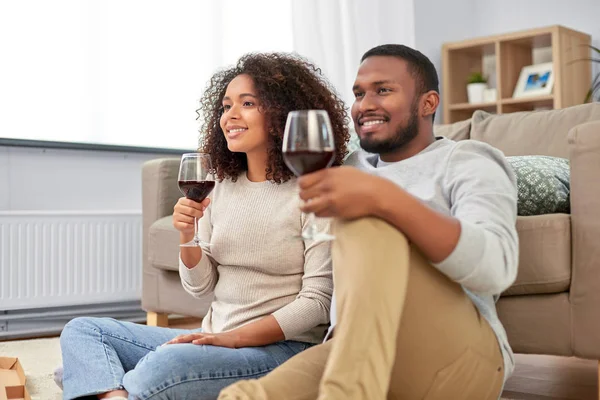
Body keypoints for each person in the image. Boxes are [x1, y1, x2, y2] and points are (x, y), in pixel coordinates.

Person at [219, 44, 519, 400]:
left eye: (383, 90)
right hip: (352, 352)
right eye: (359, 94)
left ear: (428, 103)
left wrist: (384, 200)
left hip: (459, 357)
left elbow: (496, 267)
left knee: (367, 224)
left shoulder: (469, 160)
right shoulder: (349, 167)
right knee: (246, 397)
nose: (365, 104)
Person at [57, 52, 350, 400]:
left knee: (159, 366)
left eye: (247, 103)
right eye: (226, 106)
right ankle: (118, 391)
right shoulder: (220, 183)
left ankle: (102, 384)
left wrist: (233, 339)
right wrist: (187, 236)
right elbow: (201, 287)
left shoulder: (313, 189)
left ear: (280, 113)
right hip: (210, 337)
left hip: (277, 350)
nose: (231, 116)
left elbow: (317, 302)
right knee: (83, 332)